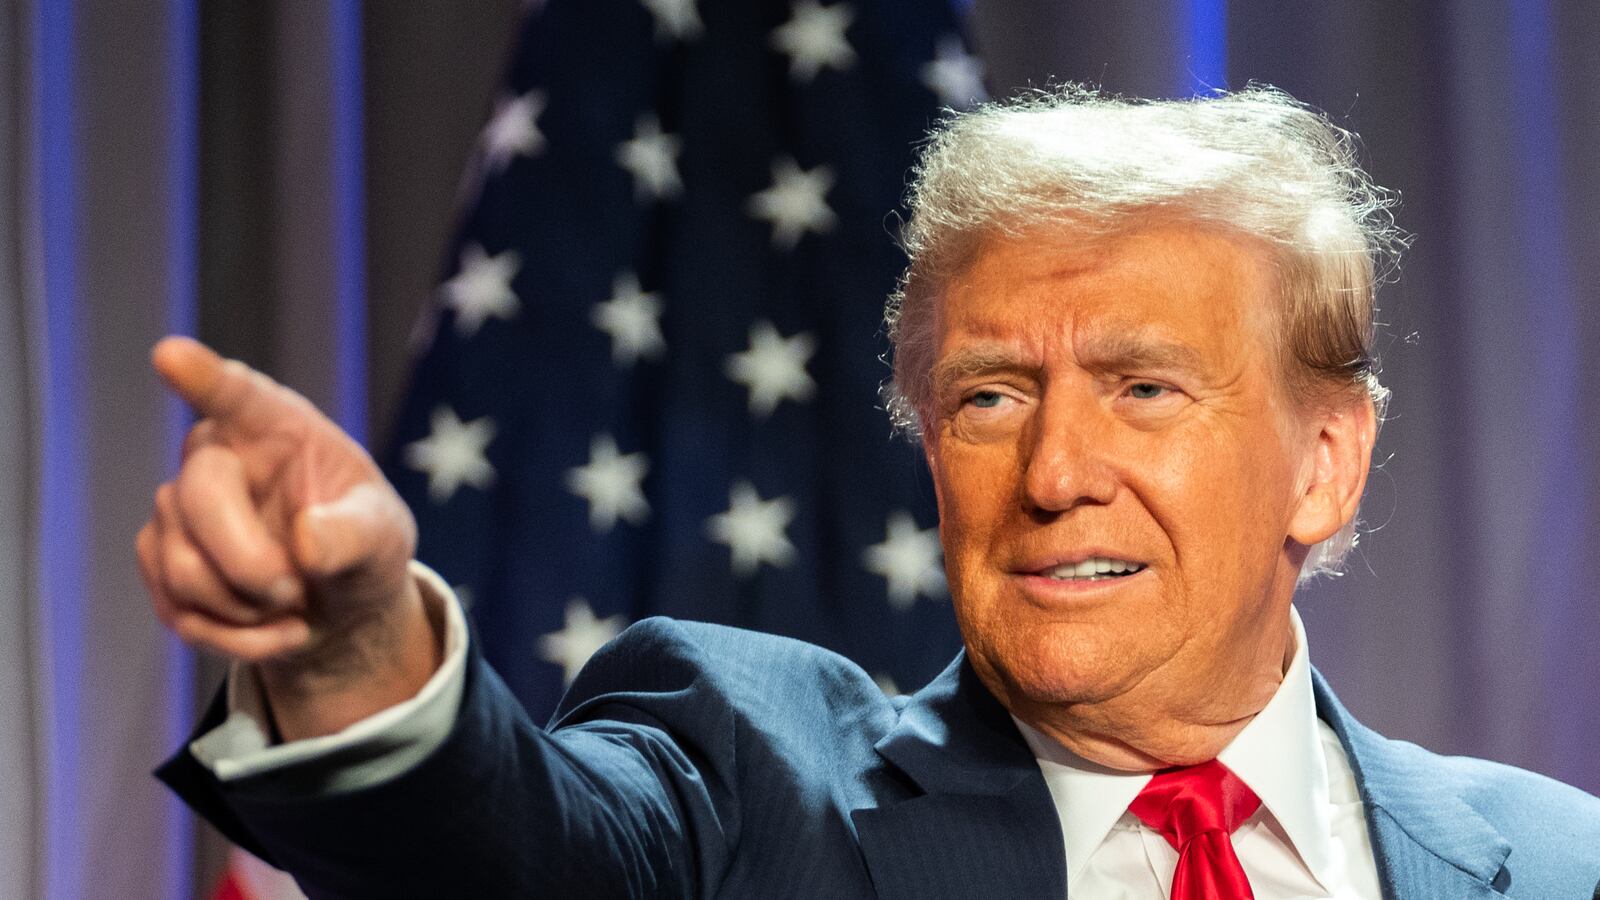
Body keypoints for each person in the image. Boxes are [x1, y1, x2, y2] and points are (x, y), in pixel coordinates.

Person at [145, 87, 1600, 899]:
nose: (1054, 474)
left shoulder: (1555, 863)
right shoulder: (746, 791)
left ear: (1325, 463)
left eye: (1144, 389)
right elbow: (509, 856)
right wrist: (353, 649)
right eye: (989, 397)